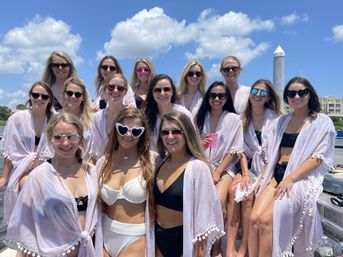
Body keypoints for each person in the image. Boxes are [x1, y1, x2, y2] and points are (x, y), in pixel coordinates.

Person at [248, 77, 336, 257]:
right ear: (286, 97)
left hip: (299, 178)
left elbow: (317, 158)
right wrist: (262, 178)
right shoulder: (281, 121)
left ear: (309, 94)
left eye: (301, 92)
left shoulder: (321, 121)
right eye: (291, 93)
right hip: (276, 174)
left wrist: (291, 178)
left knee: (266, 221)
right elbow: (272, 155)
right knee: (254, 219)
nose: (296, 96)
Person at [5, 112, 102, 257]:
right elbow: (29, 226)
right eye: (58, 137)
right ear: (50, 139)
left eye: (72, 137)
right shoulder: (38, 177)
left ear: (80, 138)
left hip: (91, 250)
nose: (65, 143)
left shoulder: (92, 172)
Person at [154, 111, 224, 257]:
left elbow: (204, 219)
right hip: (158, 241)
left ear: (186, 133)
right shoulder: (161, 163)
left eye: (176, 131)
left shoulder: (198, 167)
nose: (170, 136)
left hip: (183, 242)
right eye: (165, 132)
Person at [97, 106, 160, 257]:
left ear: (143, 134)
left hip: (136, 236)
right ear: (116, 128)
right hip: (104, 234)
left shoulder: (154, 160)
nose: (128, 135)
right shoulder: (103, 162)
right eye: (123, 129)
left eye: (136, 131)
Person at [231, 79, 282, 257]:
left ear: (268, 97)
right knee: (241, 192)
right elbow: (241, 151)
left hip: (271, 169)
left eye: (262, 93)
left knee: (253, 198)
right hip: (250, 168)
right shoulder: (242, 119)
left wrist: (262, 178)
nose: (257, 96)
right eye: (254, 91)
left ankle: (250, 248)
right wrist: (245, 174)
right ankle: (240, 247)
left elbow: (276, 152)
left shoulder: (276, 120)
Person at [194, 81, 244, 257]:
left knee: (217, 200)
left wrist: (217, 172)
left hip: (225, 168)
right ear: (208, 98)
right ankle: (201, 241)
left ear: (226, 98)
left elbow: (235, 151)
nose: (216, 99)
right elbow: (191, 145)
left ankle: (216, 247)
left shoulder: (233, 119)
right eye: (213, 95)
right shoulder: (200, 118)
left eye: (221, 96)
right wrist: (200, 144)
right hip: (203, 165)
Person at [0, 81, 54, 222]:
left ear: (50, 100)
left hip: (47, 171)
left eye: (44, 96)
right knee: (31, 188)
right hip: (22, 171)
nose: (39, 99)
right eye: (35, 95)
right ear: (30, 96)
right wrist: (4, 178)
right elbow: (10, 152)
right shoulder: (16, 119)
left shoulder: (54, 120)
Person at [144, 74, 193, 151]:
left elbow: (192, 141)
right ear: (152, 93)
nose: (162, 93)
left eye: (166, 89)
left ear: (172, 92)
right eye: (158, 90)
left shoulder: (184, 113)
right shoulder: (145, 115)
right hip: (155, 161)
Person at [90, 73, 130, 161]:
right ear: (105, 89)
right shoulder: (96, 117)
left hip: (126, 165)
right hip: (103, 164)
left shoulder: (131, 116)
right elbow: (95, 147)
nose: (115, 91)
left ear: (125, 92)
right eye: (111, 87)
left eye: (120, 88)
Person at [61, 77, 94, 161]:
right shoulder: (57, 119)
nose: (73, 96)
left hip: (85, 167)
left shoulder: (92, 120)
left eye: (78, 94)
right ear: (64, 95)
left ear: (83, 97)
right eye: (69, 93)